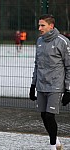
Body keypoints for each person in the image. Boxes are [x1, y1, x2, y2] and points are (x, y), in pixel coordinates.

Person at [29, 14, 70, 150]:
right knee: (43, 115)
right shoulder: (39, 41)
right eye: (39, 25)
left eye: (42, 25)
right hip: (41, 85)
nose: (39, 28)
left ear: (51, 26)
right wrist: (33, 85)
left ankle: (52, 147)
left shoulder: (62, 42)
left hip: (55, 86)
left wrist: (68, 89)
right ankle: (56, 141)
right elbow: (37, 64)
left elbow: (69, 67)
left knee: (49, 115)